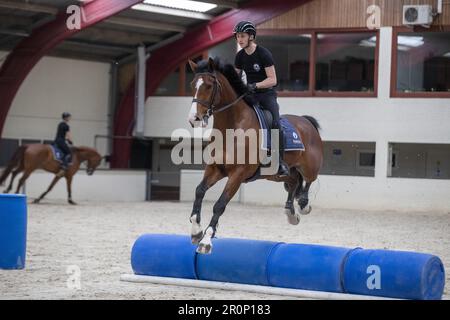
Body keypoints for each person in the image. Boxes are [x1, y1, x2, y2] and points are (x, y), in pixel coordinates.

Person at [233, 21, 289, 177]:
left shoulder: (263, 53)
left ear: (251, 36)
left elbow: (273, 80)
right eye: (237, 36)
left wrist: (255, 85)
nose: (239, 39)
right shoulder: (240, 56)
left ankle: (280, 162)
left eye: (242, 36)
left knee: (276, 122)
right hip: (250, 95)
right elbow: (235, 78)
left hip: (267, 95)